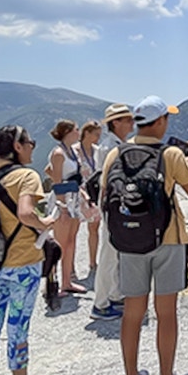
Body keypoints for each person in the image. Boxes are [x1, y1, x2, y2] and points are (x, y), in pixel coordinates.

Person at [106, 96, 188, 375]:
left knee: (132, 313)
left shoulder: (115, 155)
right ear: (159, 121)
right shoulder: (171, 154)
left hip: (129, 242)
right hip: (168, 238)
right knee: (166, 313)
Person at [0, 125, 60, 375]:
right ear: (17, 146)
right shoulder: (26, 176)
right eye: (30, 142)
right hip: (23, 263)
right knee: (18, 325)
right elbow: (25, 213)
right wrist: (46, 223)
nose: (33, 147)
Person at [90, 103, 133, 321]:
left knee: (116, 252)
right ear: (116, 123)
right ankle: (101, 302)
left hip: (115, 203)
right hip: (112, 204)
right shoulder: (110, 148)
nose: (131, 123)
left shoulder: (116, 145)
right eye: (127, 119)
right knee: (108, 254)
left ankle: (115, 294)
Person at [45, 119, 87, 296]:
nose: (79, 132)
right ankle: (51, 284)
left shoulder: (73, 151)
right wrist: (62, 207)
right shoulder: (58, 153)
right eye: (77, 129)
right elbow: (55, 181)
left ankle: (67, 282)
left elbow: (49, 170)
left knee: (71, 242)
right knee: (59, 244)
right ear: (68, 131)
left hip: (75, 199)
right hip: (63, 201)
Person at [76, 120, 103, 282]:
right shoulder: (74, 151)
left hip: (93, 193)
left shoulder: (98, 151)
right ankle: (70, 268)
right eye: (96, 134)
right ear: (87, 133)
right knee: (73, 231)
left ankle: (93, 262)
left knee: (94, 227)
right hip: (78, 193)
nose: (99, 137)